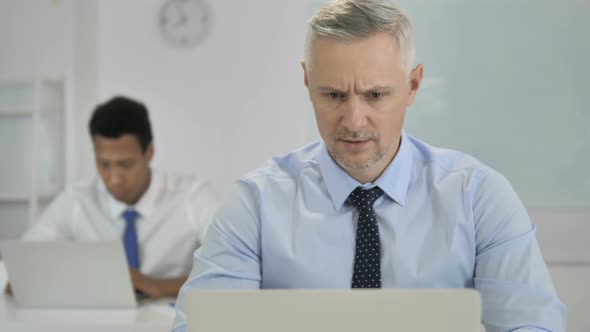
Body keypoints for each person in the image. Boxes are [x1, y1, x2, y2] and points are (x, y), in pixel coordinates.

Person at [172, 0, 565, 331]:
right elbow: (203, 324)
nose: (354, 121)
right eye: (333, 95)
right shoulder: (254, 204)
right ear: (307, 82)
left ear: (413, 86)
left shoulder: (478, 197)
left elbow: (531, 324)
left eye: (375, 95)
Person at [20, 96, 219, 298]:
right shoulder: (79, 198)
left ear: (149, 153)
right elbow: (21, 265)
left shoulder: (191, 195)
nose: (114, 179)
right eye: (104, 164)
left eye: (126, 165)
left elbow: (236, 266)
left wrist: (158, 286)